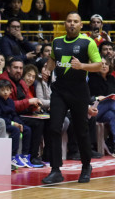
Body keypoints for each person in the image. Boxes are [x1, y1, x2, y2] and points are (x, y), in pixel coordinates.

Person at [40, 12, 103, 184]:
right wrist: (47, 70)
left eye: (75, 21)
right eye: (69, 21)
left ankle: (86, 166)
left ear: (81, 25)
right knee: (53, 128)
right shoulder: (57, 42)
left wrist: (82, 66)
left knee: (81, 131)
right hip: (59, 91)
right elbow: (53, 60)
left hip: (79, 91)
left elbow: (99, 65)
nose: (72, 24)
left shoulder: (87, 42)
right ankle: (55, 170)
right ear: (64, 24)